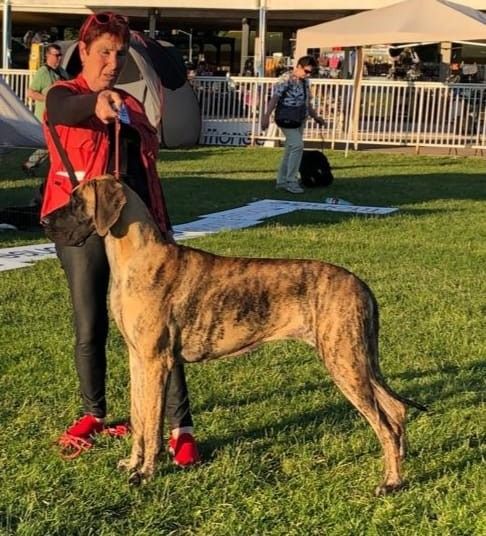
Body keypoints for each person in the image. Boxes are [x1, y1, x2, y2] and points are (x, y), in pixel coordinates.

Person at [41, 11, 200, 466]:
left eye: (120, 53)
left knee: (161, 329)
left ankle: (181, 428)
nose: (112, 62)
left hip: (138, 233)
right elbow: (62, 111)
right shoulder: (62, 93)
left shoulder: (131, 104)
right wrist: (95, 104)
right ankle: (94, 413)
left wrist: (160, 225)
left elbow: (146, 170)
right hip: (83, 225)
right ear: (84, 51)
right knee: (90, 324)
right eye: (104, 52)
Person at [261, 56, 325, 194]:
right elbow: (274, 99)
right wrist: (265, 116)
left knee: (290, 149)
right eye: (306, 71)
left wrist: (316, 117)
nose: (308, 75)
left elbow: (307, 102)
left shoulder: (305, 82)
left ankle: (282, 181)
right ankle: (291, 181)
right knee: (297, 145)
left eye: (311, 72)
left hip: (300, 118)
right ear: (299, 67)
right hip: (286, 118)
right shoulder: (285, 79)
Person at [22, 43, 69, 177]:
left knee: (54, 144)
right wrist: (48, 99)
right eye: (56, 55)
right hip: (45, 117)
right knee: (49, 144)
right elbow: (31, 92)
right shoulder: (43, 72)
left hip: (58, 115)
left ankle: (33, 165)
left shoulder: (62, 72)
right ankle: (31, 165)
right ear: (48, 56)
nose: (59, 58)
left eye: (60, 55)